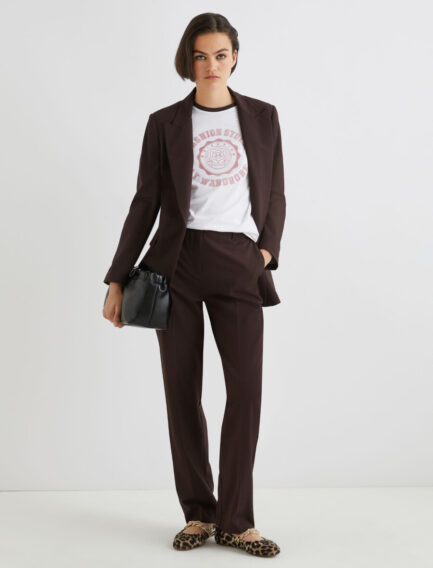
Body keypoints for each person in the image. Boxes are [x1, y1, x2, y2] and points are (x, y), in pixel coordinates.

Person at [102, 12, 285, 558]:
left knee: (245, 392)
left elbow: (275, 192)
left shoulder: (263, 116)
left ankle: (237, 521)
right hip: (176, 265)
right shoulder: (165, 123)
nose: (211, 65)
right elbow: (145, 202)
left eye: (220, 55)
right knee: (182, 391)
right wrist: (117, 278)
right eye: (201, 56)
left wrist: (264, 253)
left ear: (235, 58)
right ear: (189, 60)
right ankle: (199, 514)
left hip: (238, 261)